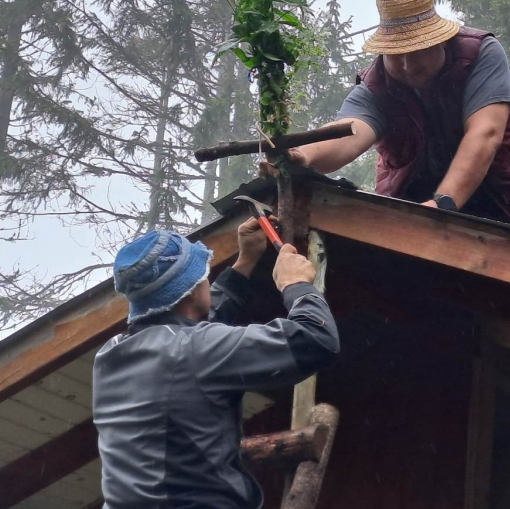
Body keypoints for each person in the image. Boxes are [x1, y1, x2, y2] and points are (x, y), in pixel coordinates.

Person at [268, 0, 510, 233]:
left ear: (441, 41)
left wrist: (443, 203)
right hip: (411, 216)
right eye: (395, 56)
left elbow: (485, 133)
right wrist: (302, 155)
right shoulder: (376, 85)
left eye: (417, 52)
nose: (407, 65)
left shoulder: (480, 54)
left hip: (506, 208)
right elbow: (348, 134)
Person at [92, 218, 339, 509]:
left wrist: (245, 261)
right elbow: (315, 340)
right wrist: (296, 285)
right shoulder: (193, 349)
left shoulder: (110, 355)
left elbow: (191, 333)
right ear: (194, 288)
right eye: (203, 276)